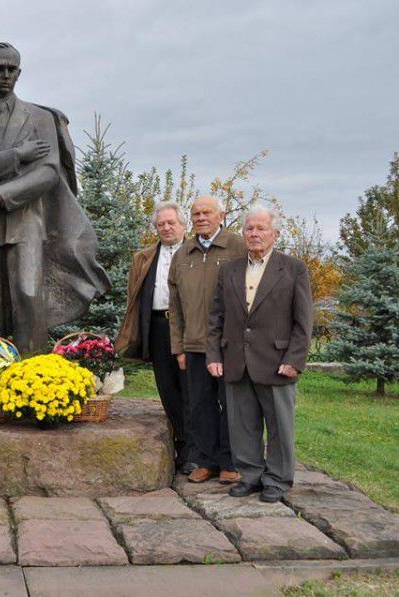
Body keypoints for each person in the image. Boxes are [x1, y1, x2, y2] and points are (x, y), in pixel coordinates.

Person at [0, 42, 109, 353]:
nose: (5, 74)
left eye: (11, 69)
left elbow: (48, 172)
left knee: (28, 294)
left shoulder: (40, 118)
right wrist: (16, 156)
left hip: (25, 219)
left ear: (19, 73)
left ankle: (30, 370)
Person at [207, 204, 313, 503]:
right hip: (236, 361)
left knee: (280, 426)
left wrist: (294, 360)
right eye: (249, 228)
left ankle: (277, 479)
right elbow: (216, 317)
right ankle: (250, 475)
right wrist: (214, 355)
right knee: (242, 425)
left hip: (277, 362)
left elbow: (303, 321)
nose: (254, 234)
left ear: (275, 234)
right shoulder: (229, 270)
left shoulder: (293, 268)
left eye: (261, 228)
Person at [169, 196, 247, 484]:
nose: (201, 218)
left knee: (232, 405)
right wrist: (179, 347)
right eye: (196, 213)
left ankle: (230, 461)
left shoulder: (238, 247)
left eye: (207, 213)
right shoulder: (183, 254)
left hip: (230, 345)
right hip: (194, 345)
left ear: (221, 215)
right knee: (200, 406)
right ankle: (206, 460)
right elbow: (175, 307)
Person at [116, 201, 194, 474]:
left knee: (191, 388)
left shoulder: (196, 253)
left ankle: (196, 450)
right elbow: (134, 297)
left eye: (172, 222)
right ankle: (183, 446)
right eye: (161, 224)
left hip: (190, 328)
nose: (166, 228)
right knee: (168, 389)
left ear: (183, 225)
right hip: (159, 326)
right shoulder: (145, 257)